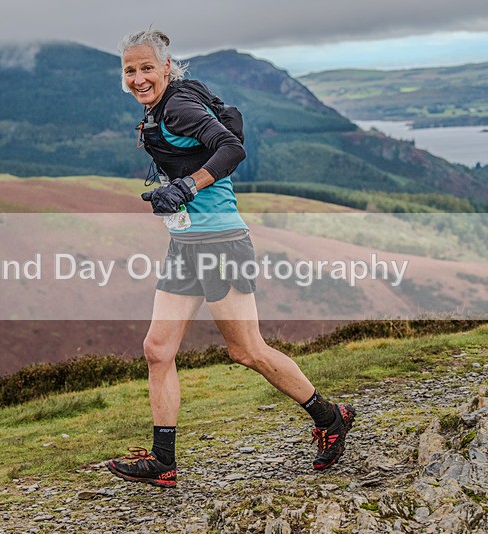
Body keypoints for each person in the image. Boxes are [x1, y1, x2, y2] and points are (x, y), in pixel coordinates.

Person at [107, 29, 355, 488]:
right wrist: (172, 189)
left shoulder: (178, 106)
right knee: (157, 350)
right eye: (129, 70)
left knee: (247, 351)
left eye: (146, 68)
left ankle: (331, 417)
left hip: (220, 242)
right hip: (186, 245)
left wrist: (188, 186)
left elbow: (232, 148)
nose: (138, 78)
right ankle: (164, 461)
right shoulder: (159, 109)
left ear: (166, 68)